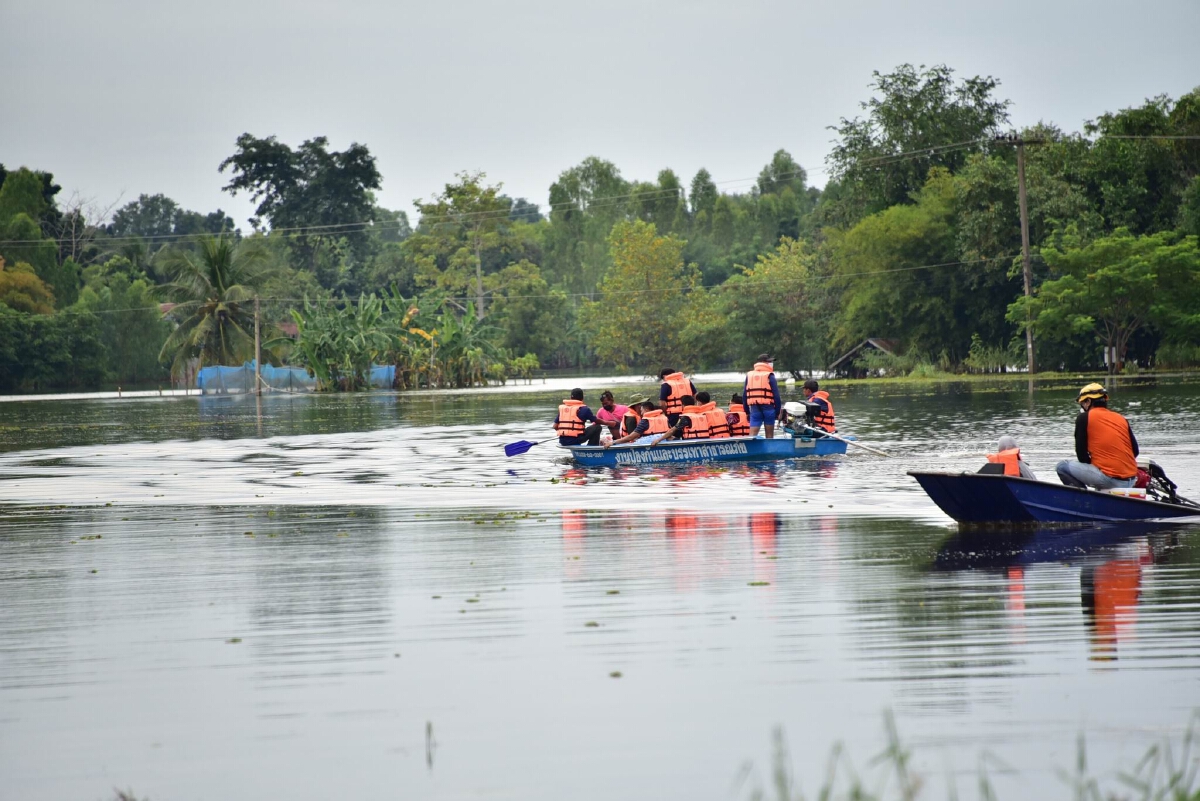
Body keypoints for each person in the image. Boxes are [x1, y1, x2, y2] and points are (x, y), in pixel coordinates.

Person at [1056, 383, 1139, 490]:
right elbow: (1135, 451)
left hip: (1109, 480)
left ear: (1088, 402)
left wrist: (1096, 467)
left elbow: (1082, 456)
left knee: (1062, 467)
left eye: (1082, 403)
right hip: (1131, 479)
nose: (1082, 407)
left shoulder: (1084, 418)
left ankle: (1084, 500)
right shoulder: (1121, 418)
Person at [742, 354, 781, 439]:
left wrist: (747, 411)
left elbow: (744, 395)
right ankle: (770, 451)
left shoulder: (749, 375)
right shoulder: (770, 375)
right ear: (763, 362)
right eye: (769, 361)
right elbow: (776, 396)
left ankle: (751, 450)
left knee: (751, 436)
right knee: (770, 436)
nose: (771, 363)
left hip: (755, 409)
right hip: (769, 409)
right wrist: (777, 412)